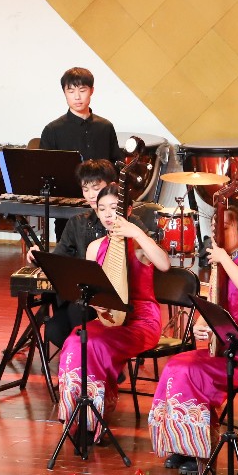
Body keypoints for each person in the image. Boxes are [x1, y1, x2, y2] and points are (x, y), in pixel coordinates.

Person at [148, 206, 238, 475]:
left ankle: (200, 450)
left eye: (226, 228)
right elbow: (213, 307)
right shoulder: (221, 265)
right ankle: (182, 444)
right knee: (176, 366)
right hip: (225, 349)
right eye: (216, 227)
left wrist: (223, 258)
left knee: (192, 372)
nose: (219, 233)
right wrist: (200, 327)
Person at [54, 185, 170, 425]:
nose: (108, 214)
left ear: (128, 210)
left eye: (114, 208)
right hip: (109, 318)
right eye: (102, 209)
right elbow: (91, 290)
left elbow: (164, 264)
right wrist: (97, 305)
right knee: (76, 340)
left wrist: (137, 233)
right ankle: (78, 416)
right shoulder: (95, 247)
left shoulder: (138, 245)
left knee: (95, 344)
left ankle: (97, 416)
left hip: (141, 320)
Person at [34, 159, 157, 350]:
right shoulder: (77, 223)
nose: (91, 195)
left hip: (118, 300)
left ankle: (94, 357)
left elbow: (151, 258)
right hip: (85, 296)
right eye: (86, 189)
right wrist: (39, 257)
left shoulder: (130, 222)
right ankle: (83, 359)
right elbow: (59, 259)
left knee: (78, 315)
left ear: (111, 186)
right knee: (54, 329)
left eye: (96, 188)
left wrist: (137, 234)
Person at [39, 66, 123, 165]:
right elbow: (44, 168)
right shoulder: (52, 130)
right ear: (64, 93)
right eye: (71, 91)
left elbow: (117, 165)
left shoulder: (106, 127)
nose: (77, 97)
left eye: (82, 90)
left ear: (92, 91)